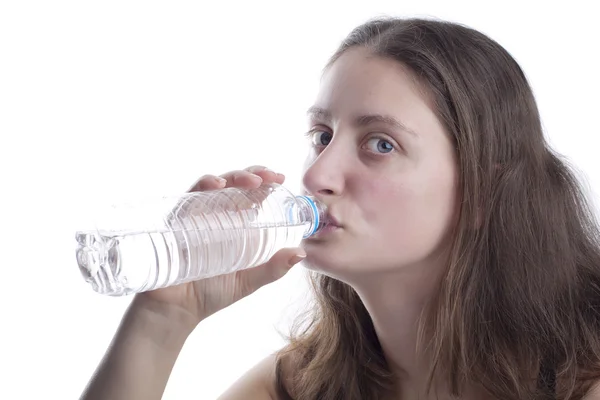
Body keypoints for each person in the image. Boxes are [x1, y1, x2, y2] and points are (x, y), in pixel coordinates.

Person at [80, 17, 600, 400]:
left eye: (380, 144)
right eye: (322, 136)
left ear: (483, 191)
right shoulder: (304, 385)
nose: (316, 176)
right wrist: (162, 318)